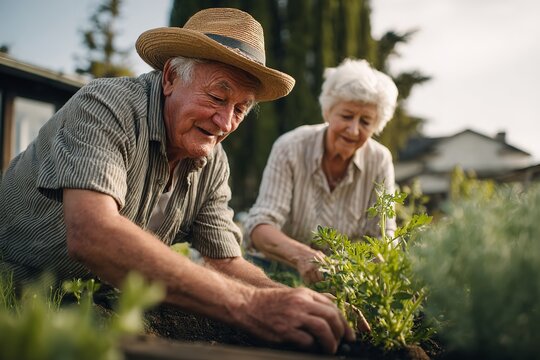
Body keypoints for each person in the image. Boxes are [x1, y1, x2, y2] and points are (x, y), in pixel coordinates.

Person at [0, 8, 358, 354]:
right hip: (14, 294)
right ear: (171, 77)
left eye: (241, 109)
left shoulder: (212, 162)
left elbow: (225, 261)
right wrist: (252, 305)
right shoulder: (107, 106)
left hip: (90, 302)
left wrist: (283, 298)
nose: (225, 123)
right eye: (218, 97)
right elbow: (93, 234)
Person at [245, 58, 399, 284]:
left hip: (345, 278)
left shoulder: (380, 160)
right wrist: (302, 255)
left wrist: (345, 270)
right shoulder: (290, 148)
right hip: (279, 268)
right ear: (328, 112)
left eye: (366, 121)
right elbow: (260, 227)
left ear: (376, 126)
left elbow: (383, 237)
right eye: (346, 116)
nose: (354, 130)